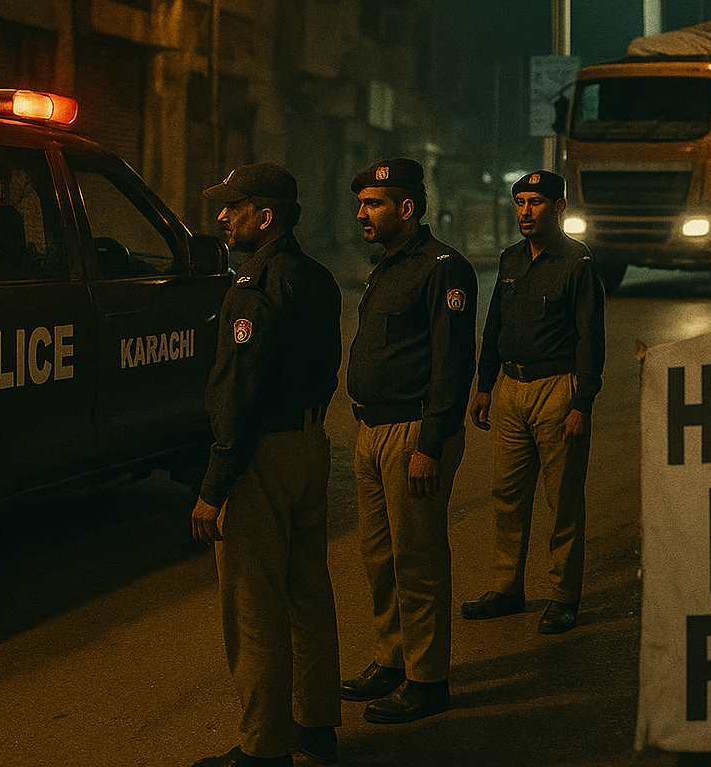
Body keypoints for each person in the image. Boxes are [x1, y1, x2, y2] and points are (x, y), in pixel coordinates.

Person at [191, 163, 342, 767]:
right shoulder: (318, 278)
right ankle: (317, 724)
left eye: (233, 207)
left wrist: (213, 487)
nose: (222, 218)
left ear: (265, 216)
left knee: (253, 608)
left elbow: (238, 395)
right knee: (307, 591)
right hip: (309, 445)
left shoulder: (254, 288)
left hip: (261, 458)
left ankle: (262, 748)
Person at [341, 158, 477, 724]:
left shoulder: (443, 268)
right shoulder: (387, 266)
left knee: (417, 560)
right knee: (380, 558)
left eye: (373, 203)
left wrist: (430, 443)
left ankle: (427, 679)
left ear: (407, 208)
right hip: (372, 430)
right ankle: (390, 659)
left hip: (412, 434)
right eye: (361, 203)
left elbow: (451, 361)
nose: (361, 213)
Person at [461, 170, 604, 635]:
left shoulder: (577, 263)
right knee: (507, 495)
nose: (525, 211)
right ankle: (507, 588)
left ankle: (563, 596)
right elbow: (493, 328)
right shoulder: (509, 261)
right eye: (520, 201)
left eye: (536, 202)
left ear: (558, 208)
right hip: (511, 390)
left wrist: (581, 403)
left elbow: (590, 340)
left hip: (556, 390)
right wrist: (483, 385)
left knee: (562, 499)